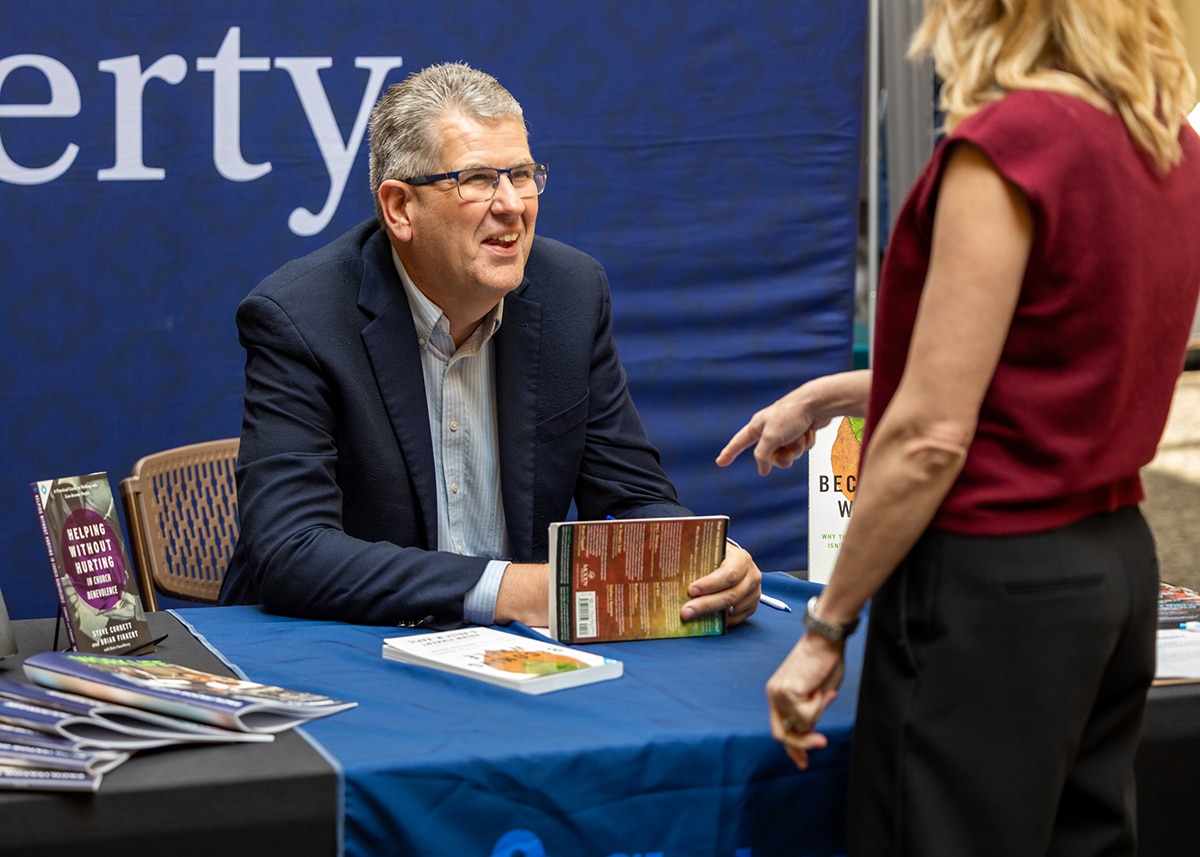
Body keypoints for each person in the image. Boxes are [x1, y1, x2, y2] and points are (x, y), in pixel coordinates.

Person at [717, 1, 1200, 854]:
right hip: (1117, 568)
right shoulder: (1166, 143)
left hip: (994, 588)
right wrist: (835, 393)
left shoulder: (1013, 145)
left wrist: (828, 625)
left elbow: (931, 436)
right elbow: (1045, 359)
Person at [218, 61, 761, 630]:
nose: (512, 205)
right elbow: (293, 551)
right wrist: (513, 589)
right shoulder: (301, 317)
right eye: (477, 180)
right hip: (336, 644)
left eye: (522, 175)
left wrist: (702, 561)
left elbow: (630, 497)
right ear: (400, 208)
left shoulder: (571, 294)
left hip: (516, 654)